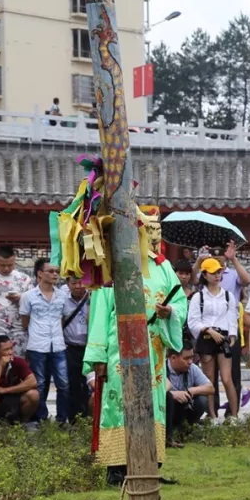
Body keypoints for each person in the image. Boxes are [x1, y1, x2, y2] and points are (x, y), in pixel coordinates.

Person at [85, 206, 187, 485]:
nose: (154, 239)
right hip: (119, 346)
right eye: (149, 232)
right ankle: (117, 468)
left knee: (154, 403)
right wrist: (98, 356)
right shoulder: (115, 263)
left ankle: (150, 465)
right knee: (119, 402)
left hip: (153, 347)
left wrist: (170, 312)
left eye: (157, 233)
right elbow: (99, 309)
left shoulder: (163, 265)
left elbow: (179, 301)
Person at [188, 257, 240, 417]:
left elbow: (233, 316)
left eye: (219, 272)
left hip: (223, 338)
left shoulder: (227, 296)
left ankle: (234, 416)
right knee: (209, 379)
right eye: (212, 273)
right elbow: (193, 321)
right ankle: (212, 416)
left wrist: (232, 335)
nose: (217, 276)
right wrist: (209, 331)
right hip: (206, 337)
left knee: (227, 378)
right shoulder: (198, 297)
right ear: (204, 275)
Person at [20, 258, 70, 423]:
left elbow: (63, 318)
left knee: (63, 384)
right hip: (37, 345)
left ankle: (62, 420)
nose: (55, 274)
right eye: (51, 271)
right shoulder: (28, 296)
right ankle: (40, 419)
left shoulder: (62, 296)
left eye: (57, 271)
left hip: (58, 345)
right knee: (40, 384)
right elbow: (25, 321)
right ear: (40, 273)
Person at [0, 335, 38, 425]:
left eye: (11, 348)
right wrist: (0, 366)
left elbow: (33, 382)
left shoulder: (18, 362)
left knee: (33, 394)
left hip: (12, 398)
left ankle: (24, 423)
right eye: (6, 350)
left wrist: (5, 390)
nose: (10, 353)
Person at [165, 342, 214, 442]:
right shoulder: (160, 368)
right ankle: (168, 434)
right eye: (186, 358)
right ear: (173, 358)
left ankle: (187, 429)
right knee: (168, 398)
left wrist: (191, 391)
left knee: (202, 400)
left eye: (192, 357)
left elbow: (210, 388)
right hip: (168, 409)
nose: (190, 362)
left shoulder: (192, 368)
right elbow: (153, 391)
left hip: (185, 408)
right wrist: (173, 395)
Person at [62, 276, 90, 420]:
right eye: (74, 283)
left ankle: (88, 417)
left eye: (81, 282)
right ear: (68, 284)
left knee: (89, 383)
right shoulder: (62, 299)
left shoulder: (93, 296)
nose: (78, 286)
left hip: (90, 347)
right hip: (70, 347)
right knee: (72, 383)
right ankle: (73, 418)